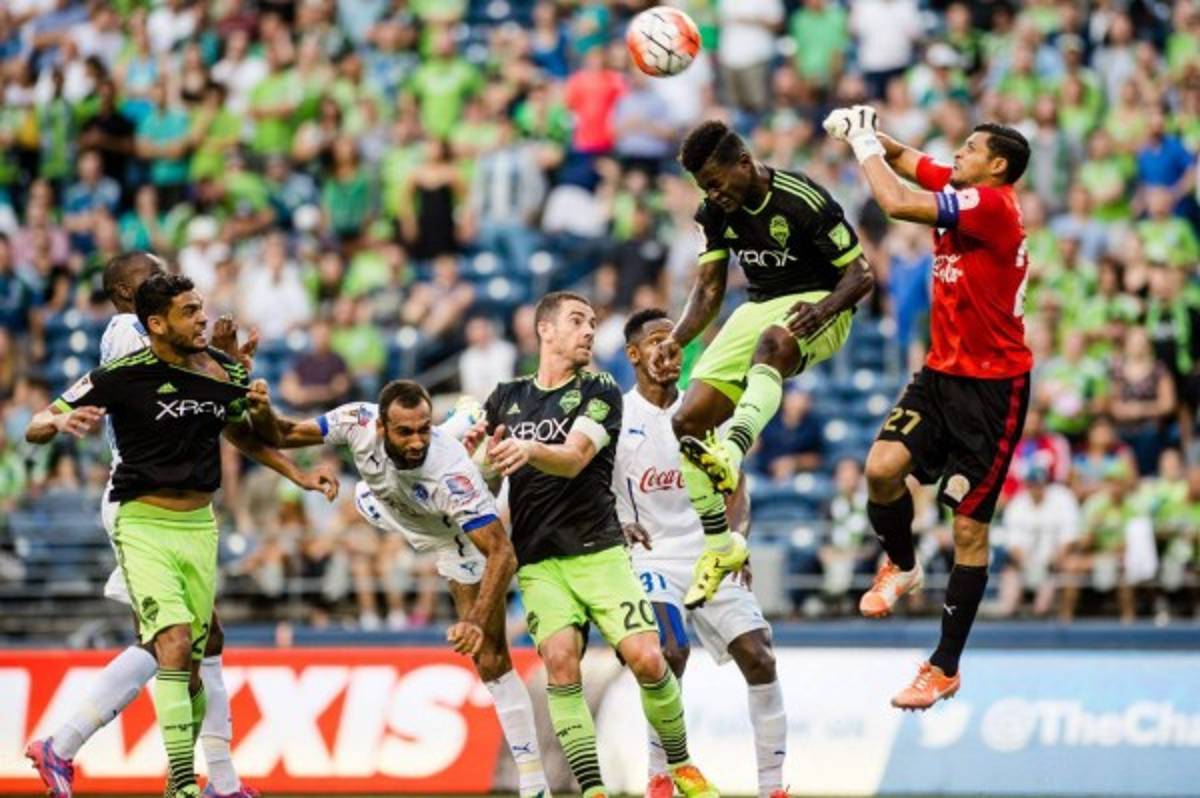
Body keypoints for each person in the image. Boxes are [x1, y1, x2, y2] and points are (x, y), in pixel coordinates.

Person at [25, 254, 336, 798]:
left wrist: (294, 466)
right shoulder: (129, 343)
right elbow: (63, 413)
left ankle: (207, 776)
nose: (198, 314)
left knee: (198, 643)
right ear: (142, 306)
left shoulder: (203, 359)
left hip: (195, 519)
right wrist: (58, 419)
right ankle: (183, 778)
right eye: (170, 292)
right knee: (171, 642)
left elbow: (242, 426)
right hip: (139, 506)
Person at [824, 105, 1032, 708]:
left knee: (968, 528)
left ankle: (943, 666)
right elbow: (910, 160)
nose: (957, 155)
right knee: (881, 468)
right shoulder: (968, 186)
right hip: (942, 372)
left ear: (996, 166)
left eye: (969, 149)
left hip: (992, 390)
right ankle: (902, 564)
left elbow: (895, 203)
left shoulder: (990, 206)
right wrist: (864, 129)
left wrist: (864, 147)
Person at [260, 380, 550, 798]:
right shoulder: (356, 420)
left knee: (490, 658)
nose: (416, 441)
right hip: (391, 505)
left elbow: (503, 554)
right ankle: (463, 424)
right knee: (365, 497)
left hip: (450, 533)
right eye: (406, 432)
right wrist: (260, 408)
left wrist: (473, 621)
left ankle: (534, 784)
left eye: (423, 430)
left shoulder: (450, 475)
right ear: (380, 426)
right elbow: (281, 434)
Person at [481, 292, 717, 798]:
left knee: (650, 659)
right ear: (545, 330)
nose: (589, 330)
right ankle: (592, 790)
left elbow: (572, 457)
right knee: (560, 665)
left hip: (600, 552)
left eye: (592, 322)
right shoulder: (504, 397)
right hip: (541, 563)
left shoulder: (601, 390)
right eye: (577, 321)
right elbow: (484, 473)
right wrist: (464, 452)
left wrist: (524, 448)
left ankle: (681, 763)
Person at [649, 119, 874, 610]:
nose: (712, 193)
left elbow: (861, 275)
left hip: (823, 302)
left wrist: (823, 309)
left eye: (715, 181)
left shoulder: (802, 198)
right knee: (686, 421)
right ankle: (719, 548)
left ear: (745, 164)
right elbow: (709, 289)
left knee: (773, 343)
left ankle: (731, 451)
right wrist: (677, 338)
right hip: (758, 306)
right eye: (703, 187)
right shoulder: (714, 212)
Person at [614, 308, 788, 798]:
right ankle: (660, 774)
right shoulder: (618, 415)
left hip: (708, 548)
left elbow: (735, 482)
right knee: (669, 653)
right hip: (650, 556)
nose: (669, 349)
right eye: (655, 341)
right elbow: (588, 488)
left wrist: (734, 539)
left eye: (676, 339)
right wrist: (614, 523)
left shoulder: (705, 407)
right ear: (633, 354)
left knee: (760, 657)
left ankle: (773, 788)